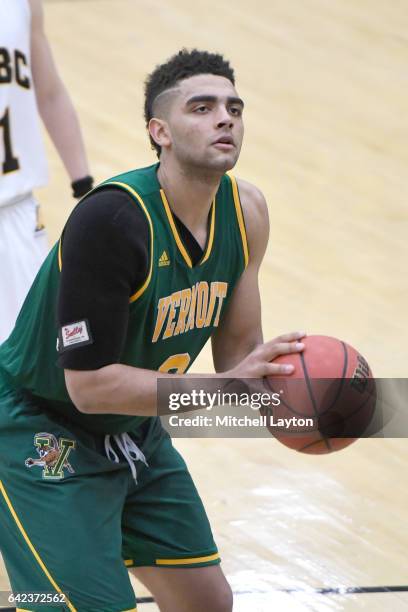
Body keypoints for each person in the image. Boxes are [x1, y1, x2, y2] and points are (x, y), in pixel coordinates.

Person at [0, 49, 305, 612]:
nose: (226, 118)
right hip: (37, 427)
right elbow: (89, 388)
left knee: (207, 601)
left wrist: (299, 395)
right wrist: (228, 390)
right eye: (203, 107)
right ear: (159, 131)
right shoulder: (114, 220)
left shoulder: (247, 213)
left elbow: (237, 353)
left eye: (234, 107)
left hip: (135, 429)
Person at [0, 0, 93, 343]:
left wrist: (83, 185)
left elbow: (50, 93)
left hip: (18, 213)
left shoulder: (23, 4)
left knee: (38, 354)